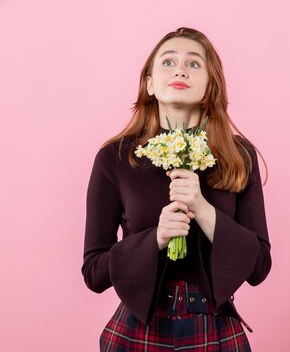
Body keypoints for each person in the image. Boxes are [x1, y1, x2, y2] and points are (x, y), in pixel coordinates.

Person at [82, 27, 271, 351]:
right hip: (138, 330)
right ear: (149, 83)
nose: (181, 69)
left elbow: (259, 267)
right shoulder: (115, 157)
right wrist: (156, 238)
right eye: (168, 62)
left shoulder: (239, 156)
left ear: (211, 84)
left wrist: (203, 209)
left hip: (215, 329)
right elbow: (94, 273)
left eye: (194, 63)